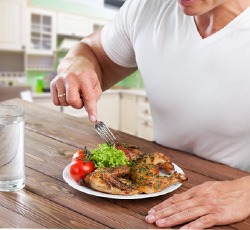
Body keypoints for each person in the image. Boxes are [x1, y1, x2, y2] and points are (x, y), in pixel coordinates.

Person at [50, 0, 250, 228]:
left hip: (233, 206)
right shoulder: (147, 7)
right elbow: (90, 51)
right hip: (151, 200)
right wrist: (75, 65)